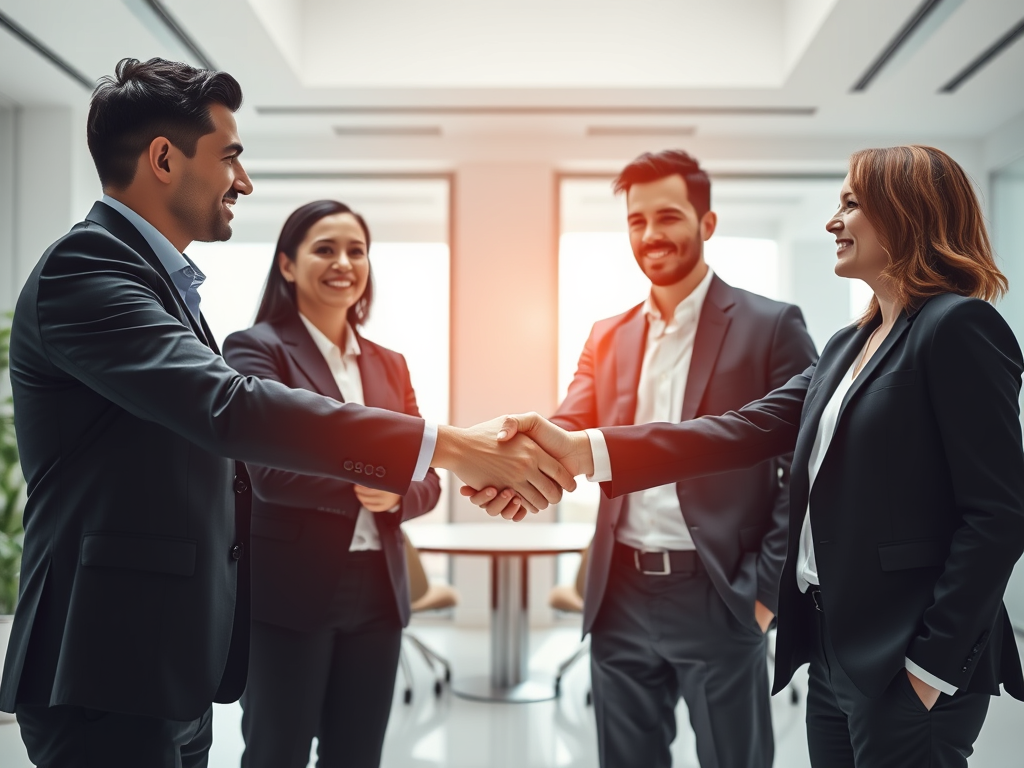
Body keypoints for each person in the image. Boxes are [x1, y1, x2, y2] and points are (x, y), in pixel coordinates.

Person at [0, 57, 573, 767]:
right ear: (163, 159)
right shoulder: (86, 270)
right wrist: (451, 445)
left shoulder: (157, 285)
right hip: (107, 660)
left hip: (167, 661)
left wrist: (423, 471)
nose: (243, 181)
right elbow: (233, 410)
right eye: (230, 157)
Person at [475, 145, 1024, 768]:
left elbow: (998, 515)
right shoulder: (849, 345)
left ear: (904, 212)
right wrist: (578, 449)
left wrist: (931, 668)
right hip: (833, 649)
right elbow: (735, 432)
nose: (832, 221)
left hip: (902, 656)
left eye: (850, 203)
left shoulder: (958, 327)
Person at [476, 150, 816, 767]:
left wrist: (764, 591)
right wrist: (501, 462)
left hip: (721, 589)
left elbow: (806, 466)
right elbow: (569, 427)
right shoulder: (608, 333)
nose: (651, 234)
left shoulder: (771, 326)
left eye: (668, 216)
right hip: (620, 591)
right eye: (637, 221)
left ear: (706, 223)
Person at [221, 200, 441, 768]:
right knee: (278, 752)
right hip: (291, 591)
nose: (343, 262)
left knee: (357, 755)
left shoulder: (389, 364)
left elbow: (428, 478)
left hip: (379, 590)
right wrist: (377, 470)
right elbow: (269, 471)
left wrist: (398, 492)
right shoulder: (255, 348)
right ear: (288, 265)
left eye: (356, 250)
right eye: (325, 249)